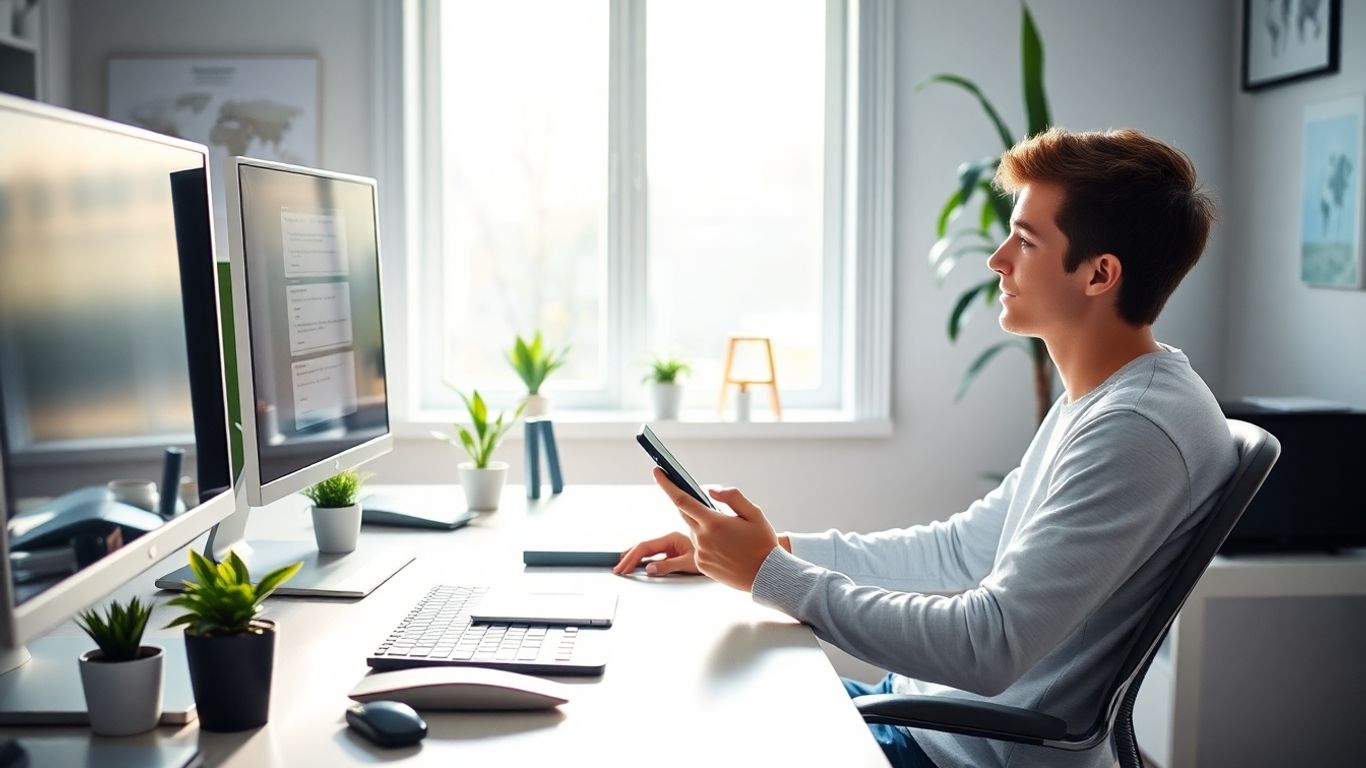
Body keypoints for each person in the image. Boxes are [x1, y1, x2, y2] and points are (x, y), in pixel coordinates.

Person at [613, 127, 1237, 768]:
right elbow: (963, 551)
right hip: (921, 716)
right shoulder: (1103, 398)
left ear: (1100, 274)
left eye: (1025, 240)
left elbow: (987, 645)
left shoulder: (1135, 428)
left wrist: (769, 575)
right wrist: (766, 551)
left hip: (953, 750)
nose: (997, 259)